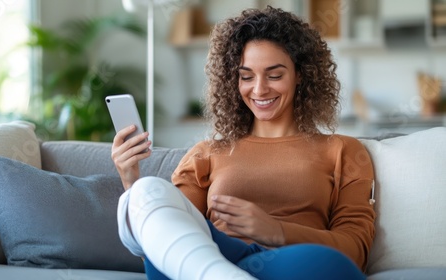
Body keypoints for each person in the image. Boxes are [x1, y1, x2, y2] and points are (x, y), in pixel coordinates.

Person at [111, 6, 375, 280]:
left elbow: (355, 253)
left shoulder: (343, 151)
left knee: (330, 264)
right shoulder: (206, 154)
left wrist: (276, 231)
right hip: (213, 256)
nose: (259, 89)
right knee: (148, 189)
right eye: (246, 76)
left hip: (292, 264)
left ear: (301, 75)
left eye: (274, 75)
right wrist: (131, 183)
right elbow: (165, 241)